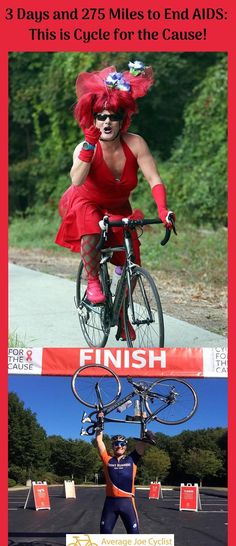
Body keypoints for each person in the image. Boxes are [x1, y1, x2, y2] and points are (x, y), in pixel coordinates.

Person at [55, 60, 175, 340]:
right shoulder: (85, 145)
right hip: (87, 203)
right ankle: (94, 281)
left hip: (120, 208)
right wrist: (88, 146)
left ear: (123, 120)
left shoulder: (136, 143)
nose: (107, 121)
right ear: (93, 119)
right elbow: (76, 181)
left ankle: (121, 314)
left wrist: (164, 209)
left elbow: (154, 179)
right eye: (101, 116)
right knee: (90, 225)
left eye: (114, 116)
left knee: (132, 259)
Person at [96, 425, 156, 538]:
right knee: (104, 536)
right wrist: (100, 423)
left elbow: (143, 442)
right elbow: (99, 440)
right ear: (112, 446)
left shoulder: (132, 459)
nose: (119, 446)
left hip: (127, 503)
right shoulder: (107, 459)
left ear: (126, 446)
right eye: (116, 444)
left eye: (122, 444)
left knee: (134, 536)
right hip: (110, 503)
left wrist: (144, 422)